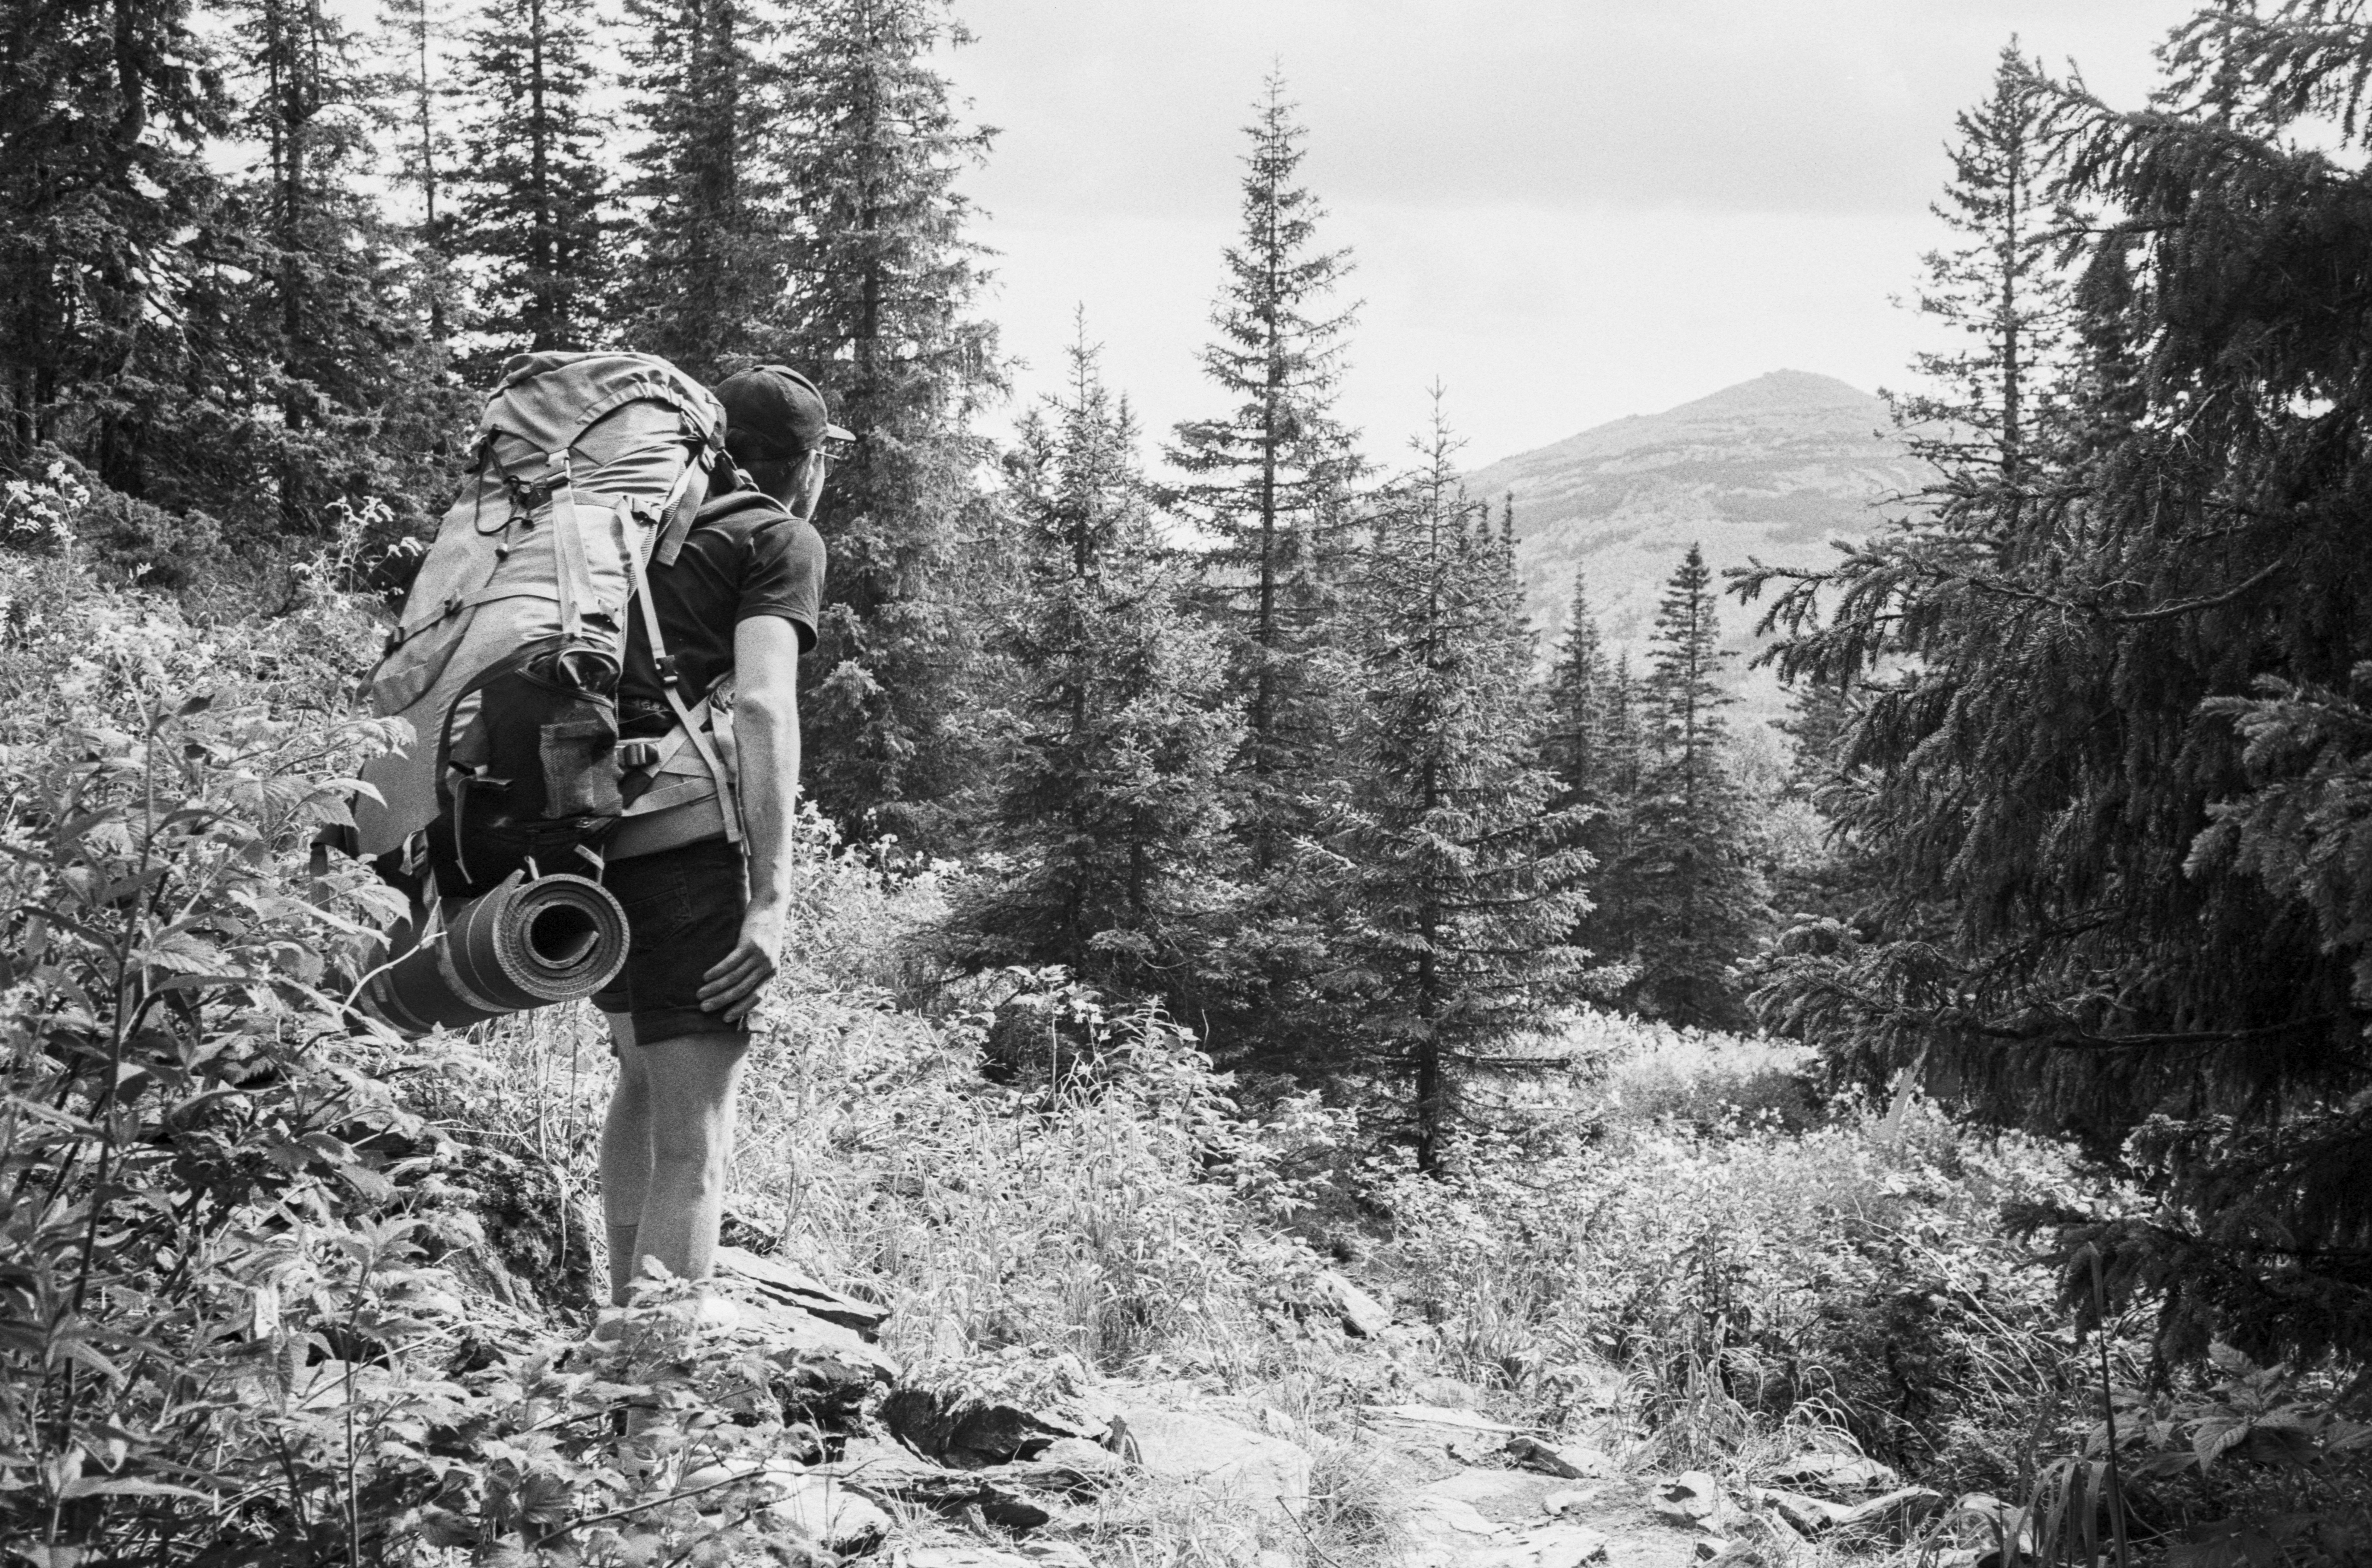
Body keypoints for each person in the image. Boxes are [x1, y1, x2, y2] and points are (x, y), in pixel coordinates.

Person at [593, 364, 845, 1317]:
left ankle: (613, 1352)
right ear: (805, 465)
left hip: (587, 845)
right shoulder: (778, 539)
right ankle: (651, 1423)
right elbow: (762, 704)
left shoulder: (639, 530)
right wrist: (773, 894)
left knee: (644, 1089)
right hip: (684, 853)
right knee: (697, 1142)